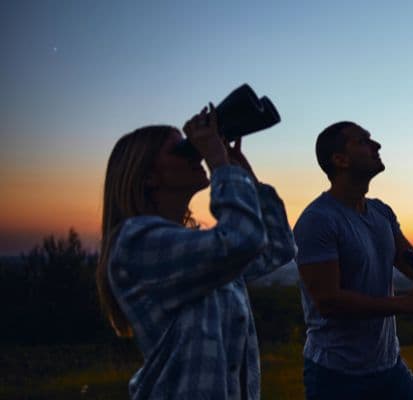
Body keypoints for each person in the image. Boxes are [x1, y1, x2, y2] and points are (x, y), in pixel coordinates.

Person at [94, 105, 295, 399]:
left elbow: (278, 247)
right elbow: (243, 239)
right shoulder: (135, 242)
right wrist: (220, 165)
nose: (196, 154)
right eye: (181, 150)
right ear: (148, 176)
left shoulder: (195, 248)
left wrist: (245, 176)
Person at [294, 121, 413, 400]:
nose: (377, 145)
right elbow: (329, 302)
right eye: (363, 141)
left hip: (389, 367)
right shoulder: (318, 220)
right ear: (340, 160)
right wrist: (403, 303)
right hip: (336, 375)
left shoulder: (381, 212)